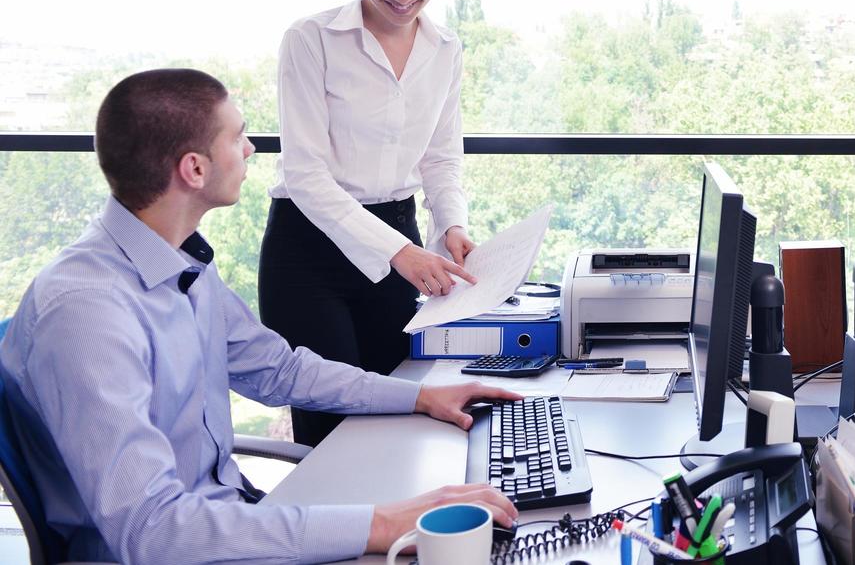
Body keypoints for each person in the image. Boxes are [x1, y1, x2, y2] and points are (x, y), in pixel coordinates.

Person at [0, 69, 518, 564]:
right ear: (195, 168)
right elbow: (155, 534)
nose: (250, 149)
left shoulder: (178, 261)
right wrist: (382, 524)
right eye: (238, 137)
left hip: (229, 520)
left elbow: (281, 371)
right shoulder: (87, 310)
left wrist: (422, 397)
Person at [259, 0, 478, 446]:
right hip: (309, 248)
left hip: (398, 240)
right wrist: (400, 252)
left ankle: (396, 533)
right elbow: (305, 175)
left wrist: (451, 226)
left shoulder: (445, 49)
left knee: (397, 415)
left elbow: (441, 158)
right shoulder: (310, 39)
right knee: (329, 429)